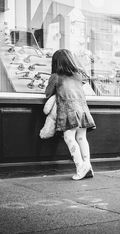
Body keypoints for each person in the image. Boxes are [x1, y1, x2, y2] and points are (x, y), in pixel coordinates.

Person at [44, 49, 96, 180]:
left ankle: (80, 168)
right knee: (82, 138)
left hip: (68, 111)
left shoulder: (56, 77)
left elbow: (48, 93)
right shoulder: (78, 76)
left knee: (69, 138)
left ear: (55, 62)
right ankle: (88, 165)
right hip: (83, 110)